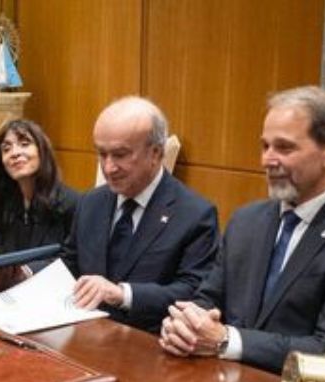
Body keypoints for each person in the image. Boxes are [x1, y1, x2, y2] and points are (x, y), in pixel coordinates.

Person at [159, 86, 325, 382]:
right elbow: (209, 297)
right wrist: (184, 325)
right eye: (265, 146)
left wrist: (225, 340)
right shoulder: (247, 220)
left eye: (284, 148)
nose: (267, 160)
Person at [60, 96, 218, 333]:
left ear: (155, 153)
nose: (108, 168)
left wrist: (122, 294)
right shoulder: (91, 202)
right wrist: (22, 274)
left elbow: (193, 292)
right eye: (102, 154)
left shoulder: (195, 214)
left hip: (148, 347)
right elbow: (69, 265)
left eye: (120, 155)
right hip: (84, 338)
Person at [0, 119, 79, 281]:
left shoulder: (73, 203)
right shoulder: (4, 206)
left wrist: (27, 271)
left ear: (42, 151)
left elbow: (75, 262)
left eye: (24, 144)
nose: (15, 153)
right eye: (6, 149)